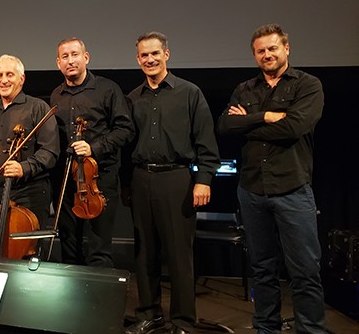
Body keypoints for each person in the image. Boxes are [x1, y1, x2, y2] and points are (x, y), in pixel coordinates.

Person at [217, 24, 326, 334]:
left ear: (286, 49)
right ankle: (267, 328)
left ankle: (311, 330)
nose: (267, 54)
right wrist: (264, 116)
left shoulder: (308, 85)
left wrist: (246, 123)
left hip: (292, 189)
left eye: (272, 48)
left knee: (305, 271)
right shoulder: (245, 88)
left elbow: (294, 128)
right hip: (251, 189)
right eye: (260, 50)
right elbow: (225, 126)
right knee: (262, 269)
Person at [126, 32, 220, 334]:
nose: (150, 60)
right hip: (141, 179)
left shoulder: (190, 93)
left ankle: (183, 321)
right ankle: (149, 313)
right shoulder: (132, 98)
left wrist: (203, 179)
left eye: (155, 53)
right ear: (138, 59)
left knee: (180, 254)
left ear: (167, 54)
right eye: (144, 55)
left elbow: (206, 141)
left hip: (177, 178)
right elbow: (126, 145)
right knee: (144, 253)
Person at [50, 37, 134, 267]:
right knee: (68, 245)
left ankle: (98, 300)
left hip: (99, 179)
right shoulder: (56, 95)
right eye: (65, 57)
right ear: (58, 63)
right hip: (68, 179)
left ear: (86, 58)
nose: (70, 60)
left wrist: (93, 148)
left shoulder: (107, 89)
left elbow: (125, 130)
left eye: (75, 54)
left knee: (99, 247)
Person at [0, 54, 59, 251]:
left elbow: (50, 151)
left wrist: (23, 167)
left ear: (22, 79)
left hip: (31, 191)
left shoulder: (37, 107)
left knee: (28, 252)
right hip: (1, 192)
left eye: (10, 74)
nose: (4, 80)